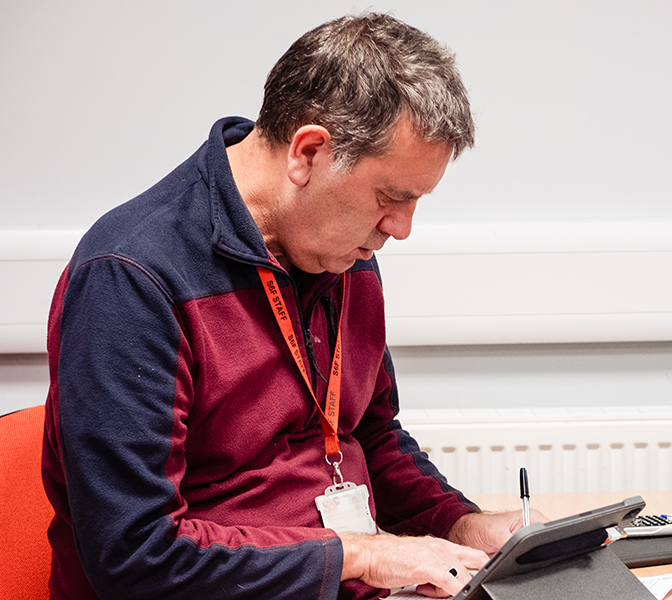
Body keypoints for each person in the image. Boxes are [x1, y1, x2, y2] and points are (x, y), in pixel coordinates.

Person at [42, 13, 543, 600]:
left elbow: (372, 437)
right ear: (308, 151)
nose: (401, 229)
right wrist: (357, 555)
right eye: (390, 197)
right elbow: (135, 556)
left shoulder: (341, 252)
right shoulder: (132, 279)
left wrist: (456, 523)